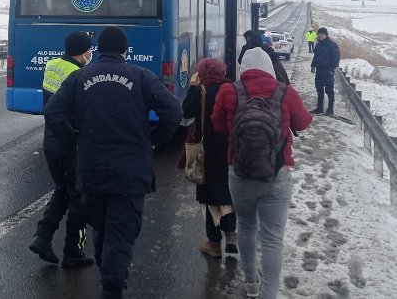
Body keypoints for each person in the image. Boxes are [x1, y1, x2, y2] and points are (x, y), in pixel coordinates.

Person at [44, 27, 182, 298]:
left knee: (102, 229)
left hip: (92, 171)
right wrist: (152, 140)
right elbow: (173, 112)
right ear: (125, 50)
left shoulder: (80, 77)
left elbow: (53, 112)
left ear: (98, 49)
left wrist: (75, 139)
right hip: (130, 173)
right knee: (121, 233)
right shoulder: (140, 76)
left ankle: (109, 276)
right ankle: (112, 287)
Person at [212, 47, 312, 298]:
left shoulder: (229, 91)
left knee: (246, 227)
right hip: (277, 175)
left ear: (244, 69)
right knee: (272, 239)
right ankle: (268, 293)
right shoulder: (285, 93)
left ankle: (250, 284)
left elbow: (218, 124)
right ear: (269, 68)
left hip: (239, 172)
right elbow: (303, 123)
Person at [29, 31, 95, 267]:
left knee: (62, 190)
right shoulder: (78, 75)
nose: (91, 52)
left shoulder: (53, 65)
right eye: (89, 49)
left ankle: (42, 238)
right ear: (83, 51)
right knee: (78, 198)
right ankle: (73, 251)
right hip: (70, 144)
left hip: (51, 141)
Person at [182, 58, 237, 259]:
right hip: (230, 148)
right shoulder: (232, 88)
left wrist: (193, 88)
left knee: (209, 194)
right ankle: (231, 233)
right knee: (226, 190)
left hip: (207, 149)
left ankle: (214, 243)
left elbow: (185, 111)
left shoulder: (202, 90)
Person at [310, 27, 340, 115]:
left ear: (326, 35)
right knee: (319, 89)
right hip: (319, 70)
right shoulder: (318, 45)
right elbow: (316, 56)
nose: (320, 36)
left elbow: (336, 59)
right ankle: (319, 108)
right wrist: (313, 65)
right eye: (319, 34)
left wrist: (331, 70)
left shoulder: (332, 45)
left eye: (322, 34)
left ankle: (330, 110)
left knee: (329, 90)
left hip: (328, 71)